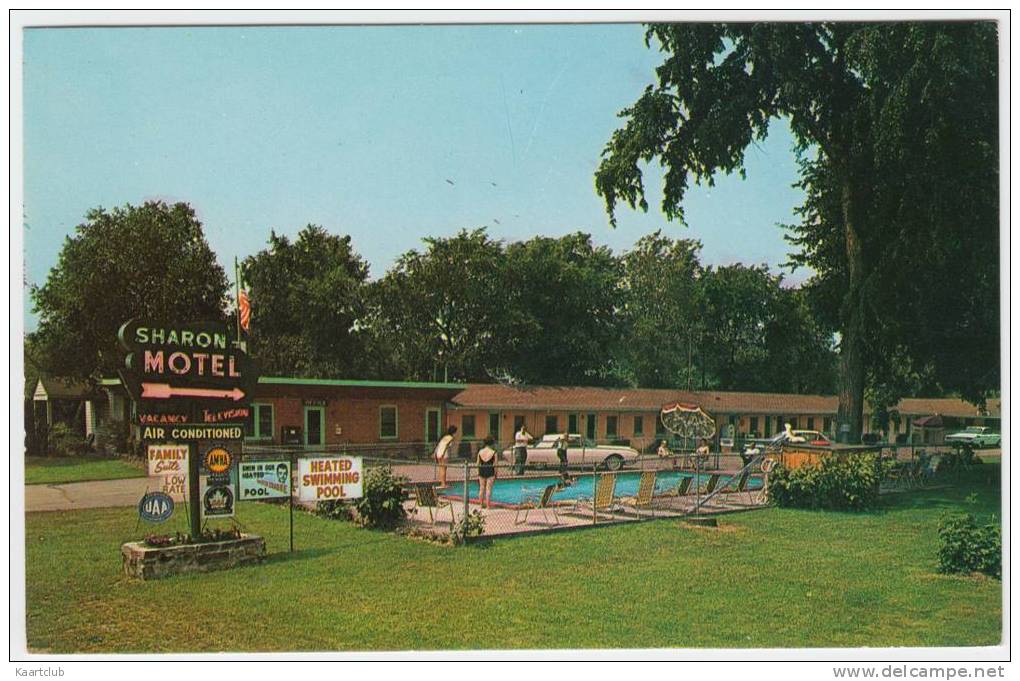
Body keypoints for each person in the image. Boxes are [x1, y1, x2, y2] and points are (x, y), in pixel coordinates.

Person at [476, 435, 498, 509]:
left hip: (482, 470)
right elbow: (495, 465)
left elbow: (477, 463)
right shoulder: (494, 452)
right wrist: (496, 474)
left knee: (481, 488)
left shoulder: (480, 452)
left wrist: (478, 472)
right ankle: (488, 506)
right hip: (490, 470)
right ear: (491, 443)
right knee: (488, 489)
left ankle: (480, 505)